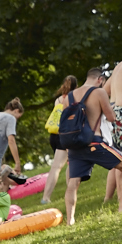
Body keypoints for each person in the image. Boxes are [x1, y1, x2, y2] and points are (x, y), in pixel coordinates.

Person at [64, 60, 122, 226]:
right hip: (94, 142)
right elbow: (110, 117)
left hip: (74, 145)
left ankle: (70, 220)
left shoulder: (68, 97)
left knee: (73, 182)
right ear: (100, 80)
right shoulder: (99, 92)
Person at [41, 75, 79, 204]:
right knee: (71, 163)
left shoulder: (58, 99)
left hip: (54, 134)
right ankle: (70, 193)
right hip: (66, 133)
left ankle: (45, 198)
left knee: (56, 167)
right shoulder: (74, 97)